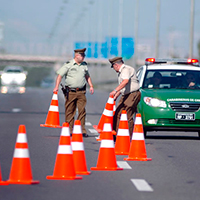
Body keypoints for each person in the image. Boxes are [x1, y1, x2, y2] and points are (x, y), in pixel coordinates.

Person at [53, 48, 94, 137]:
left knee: (82, 111)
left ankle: (82, 130)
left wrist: (91, 85)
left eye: (84, 55)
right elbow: (60, 75)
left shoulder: (84, 65)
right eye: (82, 55)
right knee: (70, 111)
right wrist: (56, 86)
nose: (84, 57)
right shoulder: (69, 65)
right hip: (70, 92)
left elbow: (87, 76)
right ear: (77, 56)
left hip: (81, 92)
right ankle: (69, 130)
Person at [109, 56, 141, 139]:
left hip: (132, 94)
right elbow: (123, 86)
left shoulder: (125, 69)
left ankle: (128, 137)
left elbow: (125, 82)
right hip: (126, 94)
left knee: (127, 115)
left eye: (113, 67)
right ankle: (117, 135)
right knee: (118, 113)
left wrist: (115, 90)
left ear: (116, 65)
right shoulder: (122, 71)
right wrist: (117, 94)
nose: (114, 69)